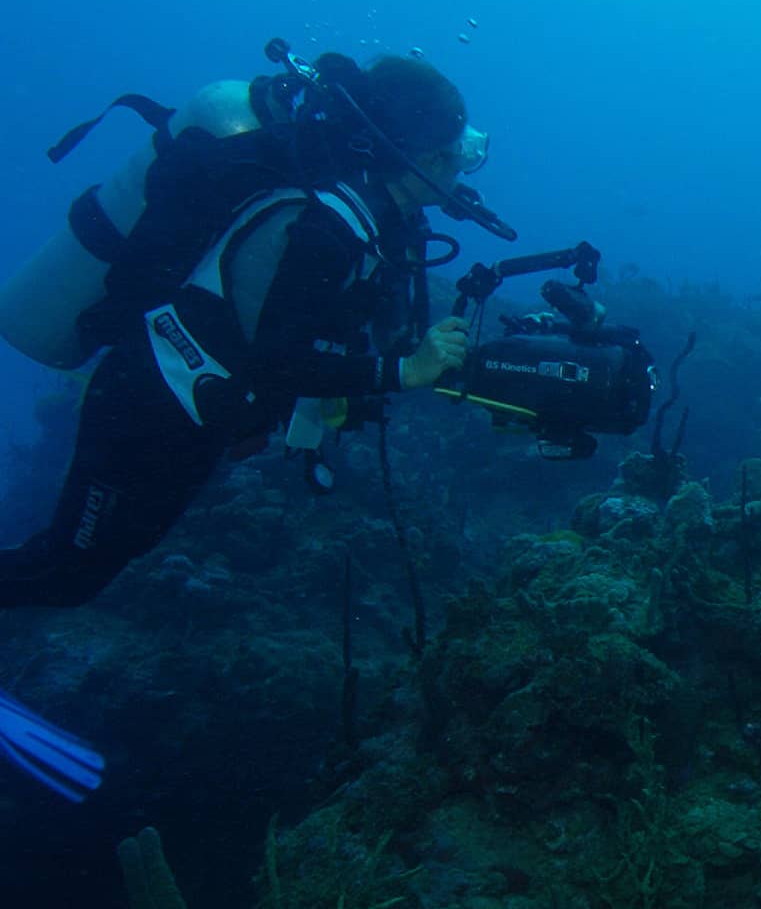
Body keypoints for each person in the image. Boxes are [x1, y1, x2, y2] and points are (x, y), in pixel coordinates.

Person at [0, 49, 483, 609]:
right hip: (148, 406)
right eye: (458, 154)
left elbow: (293, 338)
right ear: (418, 155)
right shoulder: (327, 229)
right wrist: (404, 372)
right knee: (64, 571)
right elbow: (281, 359)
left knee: (88, 565)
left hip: (191, 416)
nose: (463, 168)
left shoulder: (370, 222)